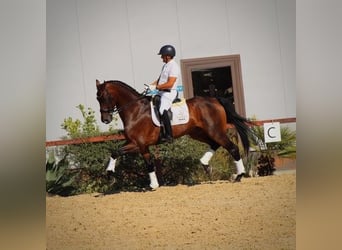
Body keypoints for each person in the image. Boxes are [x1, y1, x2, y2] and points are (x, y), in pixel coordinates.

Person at [150, 45, 180, 143]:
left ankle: (169, 135)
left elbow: (170, 83)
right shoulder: (165, 65)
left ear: (167, 56)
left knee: (162, 109)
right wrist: (150, 86)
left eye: (162, 56)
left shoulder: (174, 66)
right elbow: (159, 80)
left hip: (169, 92)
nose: (161, 57)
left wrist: (157, 87)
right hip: (162, 92)